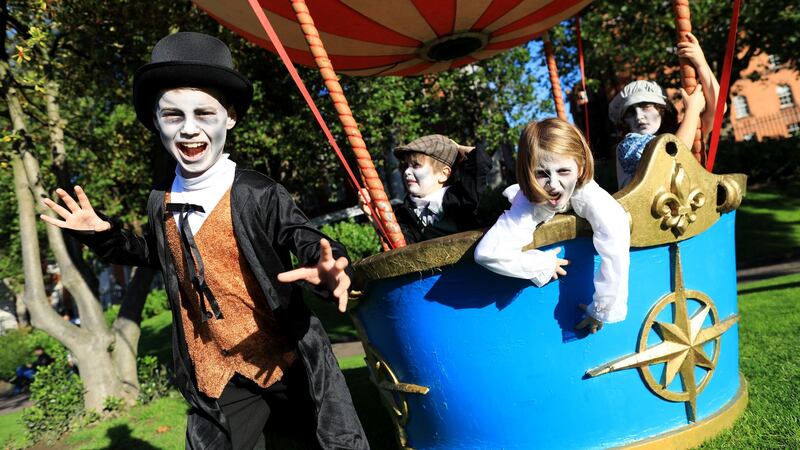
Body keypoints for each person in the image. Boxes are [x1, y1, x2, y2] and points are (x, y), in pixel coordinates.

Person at [40, 32, 367, 450]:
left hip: (285, 360)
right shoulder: (161, 198)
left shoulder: (257, 192)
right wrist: (103, 234)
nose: (189, 129)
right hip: (216, 370)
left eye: (204, 113)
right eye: (173, 115)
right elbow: (159, 254)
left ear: (229, 117)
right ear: (156, 121)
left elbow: (303, 237)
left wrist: (329, 266)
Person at [474, 119, 630, 334]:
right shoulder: (527, 201)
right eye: (541, 173)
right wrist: (541, 263)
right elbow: (488, 253)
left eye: (563, 171)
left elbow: (616, 238)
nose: (553, 185)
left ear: (580, 168)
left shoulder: (589, 194)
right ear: (527, 172)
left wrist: (603, 307)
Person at [608, 32, 717, 188]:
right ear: (624, 121)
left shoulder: (680, 132)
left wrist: (700, 63)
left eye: (646, 106)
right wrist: (692, 110)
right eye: (630, 113)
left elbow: (717, 110)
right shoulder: (629, 145)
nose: (639, 116)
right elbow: (670, 158)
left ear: (662, 110)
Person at [360, 134, 491, 244]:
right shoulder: (405, 211)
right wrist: (374, 217)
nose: (407, 172)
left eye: (416, 165)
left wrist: (457, 148)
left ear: (443, 174)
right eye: (406, 166)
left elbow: (481, 163)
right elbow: (401, 245)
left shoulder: (461, 195)